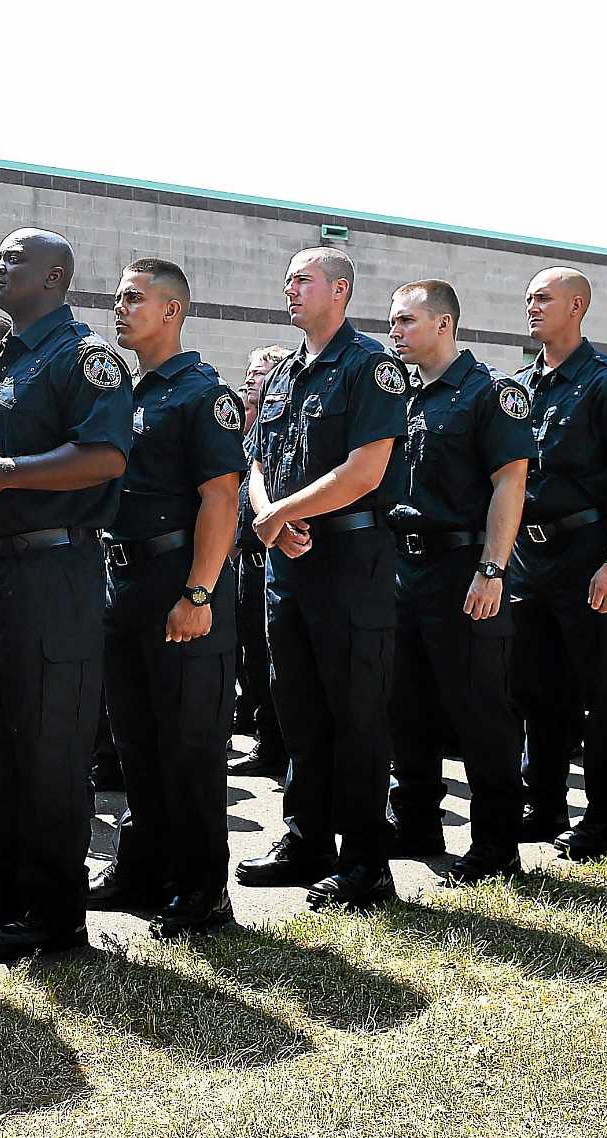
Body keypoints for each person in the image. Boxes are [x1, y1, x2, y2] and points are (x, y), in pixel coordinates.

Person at [0, 227, 132, 959]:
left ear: (55, 277)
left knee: (50, 745)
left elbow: (106, 455)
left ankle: (55, 910)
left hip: (53, 574)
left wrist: (6, 470)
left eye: (16, 257)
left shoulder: (83, 359)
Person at [233, 247, 403, 908]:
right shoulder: (285, 374)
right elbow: (256, 458)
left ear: (340, 290)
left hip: (349, 563)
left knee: (356, 713)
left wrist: (282, 512)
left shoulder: (369, 367)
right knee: (296, 706)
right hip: (289, 562)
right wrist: (270, 514)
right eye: (287, 280)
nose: (290, 289)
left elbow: (367, 470)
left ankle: (366, 862)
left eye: (302, 280)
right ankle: (307, 839)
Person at [89, 256, 244, 935]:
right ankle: (144, 869)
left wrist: (201, 590)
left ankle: (202, 890)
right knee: (136, 743)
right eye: (118, 299)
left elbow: (222, 497)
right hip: (125, 582)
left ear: (172, 311)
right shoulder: (128, 393)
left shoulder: (199, 393)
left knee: (190, 745)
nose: (120, 309)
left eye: (133, 299)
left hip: (180, 579)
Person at [382, 280, 534, 882]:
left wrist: (492, 569)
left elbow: (510, 482)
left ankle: (497, 843)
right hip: (402, 567)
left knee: (480, 710)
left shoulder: (488, 392)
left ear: (444, 324)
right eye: (393, 322)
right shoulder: (401, 395)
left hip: (463, 566)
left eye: (406, 321)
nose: (394, 332)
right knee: (405, 705)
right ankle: (416, 822)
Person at [505, 268, 607, 860]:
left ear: (578, 305)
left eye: (542, 298)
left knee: (605, 692)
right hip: (527, 557)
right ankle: (543, 807)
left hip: (588, 551)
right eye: (528, 297)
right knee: (536, 690)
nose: (531, 306)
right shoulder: (517, 386)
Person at [230, 345, 288, 778]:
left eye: (262, 372)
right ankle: (265, 739)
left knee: (275, 658)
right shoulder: (247, 431)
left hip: (273, 554)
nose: (252, 379)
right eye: (249, 371)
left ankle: (275, 746)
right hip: (245, 558)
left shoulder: (279, 426)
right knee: (252, 655)